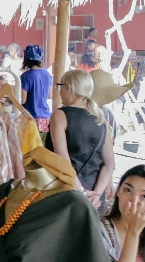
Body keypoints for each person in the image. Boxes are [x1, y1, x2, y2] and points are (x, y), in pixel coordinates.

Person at [47, 69, 115, 210]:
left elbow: (63, 159)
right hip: (96, 201)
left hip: (68, 194)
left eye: (60, 86)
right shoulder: (100, 118)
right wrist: (96, 194)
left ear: (68, 89)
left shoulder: (61, 115)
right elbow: (109, 165)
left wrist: (82, 192)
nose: (59, 91)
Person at [20, 45, 53, 131]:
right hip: (46, 116)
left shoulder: (26, 76)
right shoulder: (47, 74)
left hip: (31, 118)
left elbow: (23, 100)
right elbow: (50, 95)